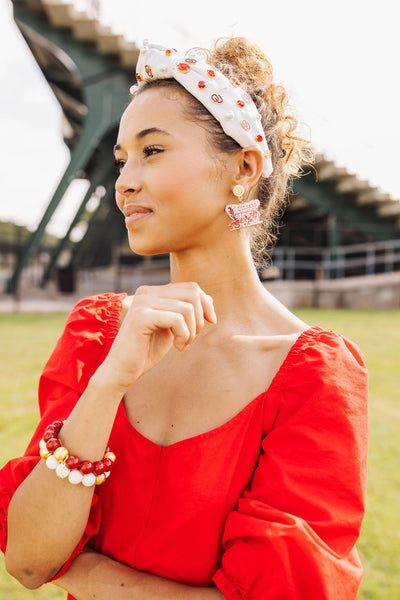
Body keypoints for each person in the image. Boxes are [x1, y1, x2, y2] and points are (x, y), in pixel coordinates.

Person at [0, 37, 368, 599]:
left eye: (152, 151)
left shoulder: (314, 375)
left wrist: (93, 575)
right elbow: (28, 561)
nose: (123, 181)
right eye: (121, 159)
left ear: (244, 167)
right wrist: (109, 383)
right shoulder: (97, 335)